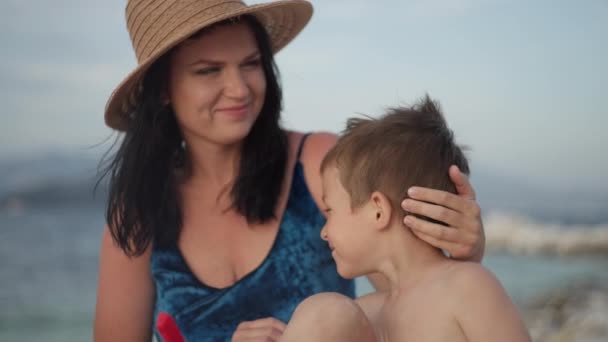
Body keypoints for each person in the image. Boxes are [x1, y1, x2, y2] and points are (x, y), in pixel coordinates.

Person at [94, 1, 486, 341]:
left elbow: (415, 300)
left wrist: (463, 258)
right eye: (208, 71)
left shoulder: (321, 161)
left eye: (250, 64)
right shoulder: (136, 213)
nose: (239, 89)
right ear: (163, 89)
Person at [279, 97, 530, 342]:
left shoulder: (467, 287)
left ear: (378, 210)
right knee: (322, 313)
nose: (324, 232)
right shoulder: (363, 313)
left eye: (330, 210)